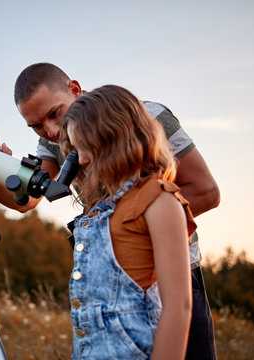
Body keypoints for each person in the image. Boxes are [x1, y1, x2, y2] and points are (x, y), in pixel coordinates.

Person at [0, 63, 219, 359]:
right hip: (103, 281)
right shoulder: (52, 142)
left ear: (74, 89)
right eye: (37, 126)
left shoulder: (145, 115)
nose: (51, 131)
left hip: (166, 270)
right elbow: (26, 199)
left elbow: (205, 191)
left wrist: (134, 225)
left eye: (54, 114)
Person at [61, 84, 193, 359]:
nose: (81, 159)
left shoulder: (159, 200)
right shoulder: (96, 212)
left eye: (85, 146)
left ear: (113, 136)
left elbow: (178, 306)